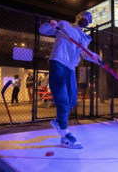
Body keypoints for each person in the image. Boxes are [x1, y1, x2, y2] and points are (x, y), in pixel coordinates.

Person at [39, 11, 101, 149]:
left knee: (72, 100)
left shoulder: (84, 37)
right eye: (83, 18)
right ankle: (65, 136)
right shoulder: (64, 26)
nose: (85, 21)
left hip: (71, 67)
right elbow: (43, 30)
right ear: (78, 17)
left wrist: (94, 56)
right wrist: (50, 24)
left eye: (87, 20)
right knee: (63, 100)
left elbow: (84, 53)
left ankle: (58, 122)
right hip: (59, 62)